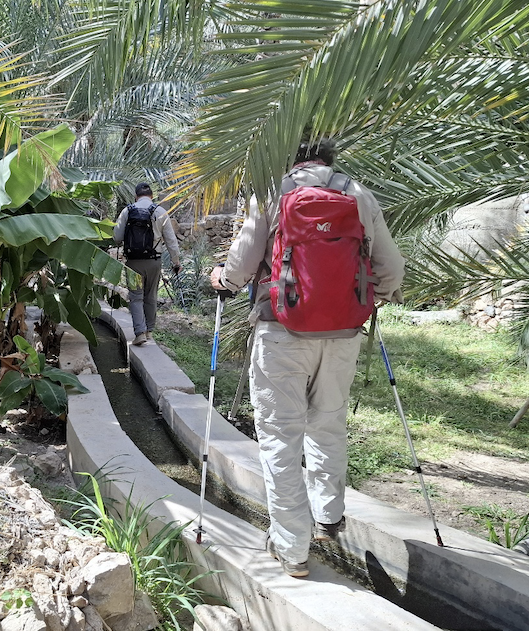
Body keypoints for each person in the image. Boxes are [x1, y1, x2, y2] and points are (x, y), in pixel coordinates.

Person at [210, 137, 405, 578]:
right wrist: (377, 296)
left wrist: (222, 278)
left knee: (281, 436)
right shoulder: (357, 193)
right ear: (327, 159)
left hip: (282, 333)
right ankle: (328, 518)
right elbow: (391, 269)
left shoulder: (272, 195)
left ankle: (292, 548)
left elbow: (241, 268)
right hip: (343, 336)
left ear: (287, 159)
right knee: (329, 424)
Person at [114, 182, 182, 346]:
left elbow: (117, 236)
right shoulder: (160, 212)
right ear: (152, 196)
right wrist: (176, 262)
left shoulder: (127, 211)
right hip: (153, 262)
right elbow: (171, 241)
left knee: (136, 297)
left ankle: (140, 333)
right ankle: (149, 331)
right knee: (150, 296)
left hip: (133, 263)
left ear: (136, 196)